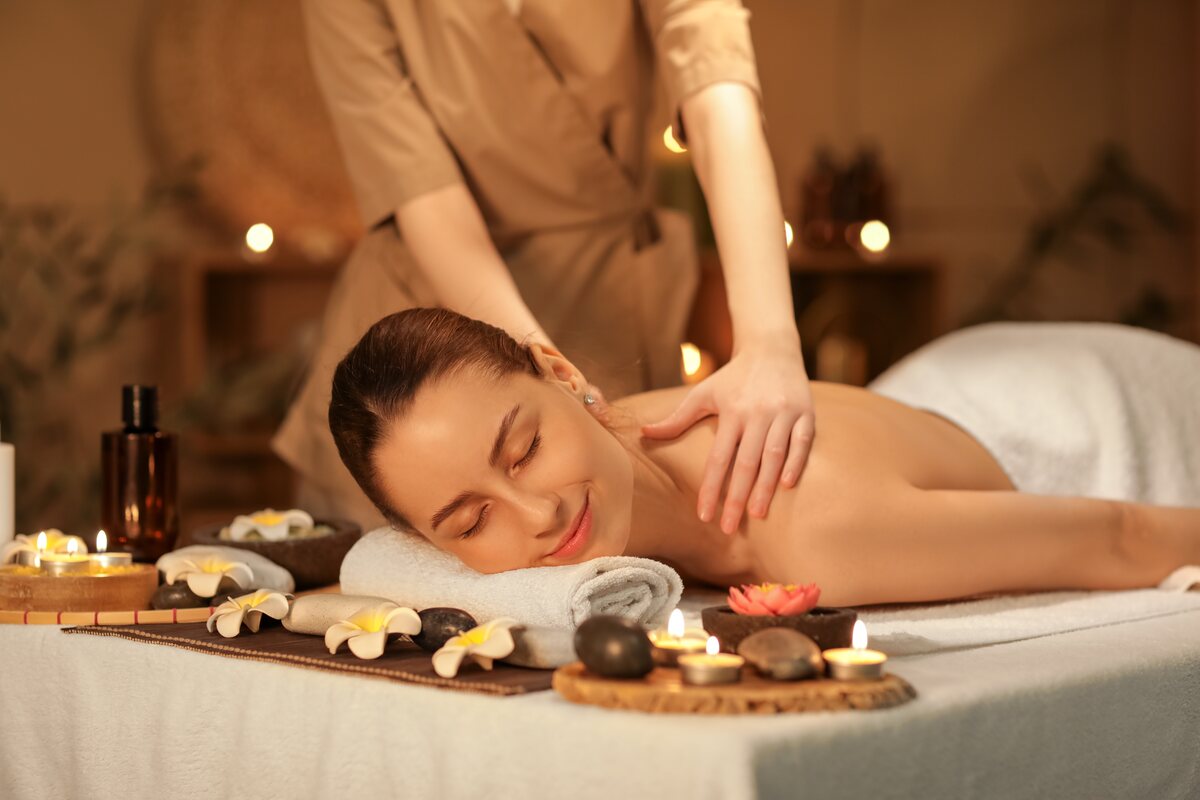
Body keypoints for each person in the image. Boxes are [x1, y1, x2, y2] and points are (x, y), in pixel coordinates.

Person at [275, 0, 815, 537]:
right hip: (429, 351)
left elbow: (714, 79)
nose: (539, 513)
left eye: (528, 450)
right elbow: (428, 199)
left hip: (609, 306)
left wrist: (768, 341)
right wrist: (549, 379)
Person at [327, 308, 1200, 607]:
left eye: (524, 452)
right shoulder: (606, 445)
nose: (539, 515)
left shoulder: (820, 530)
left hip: (1095, 415)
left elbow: (1123, 536)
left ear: (563, 374)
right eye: (470, 521)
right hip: (929, 394)